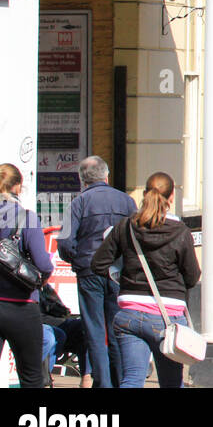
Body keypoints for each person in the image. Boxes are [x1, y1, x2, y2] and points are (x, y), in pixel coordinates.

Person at [90, 172, 200, 388]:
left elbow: (98, 264)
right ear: (170, 199)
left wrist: (123, 279)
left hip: (129, 314)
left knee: (131, 379)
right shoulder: (180, 231)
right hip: (168, 318)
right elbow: (192, 276)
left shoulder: (126, 227)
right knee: (170, 383)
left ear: (145, 194)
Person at [0, 164, 53, 388]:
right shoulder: (26, 218)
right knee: (32, 379)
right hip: (22, 308)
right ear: (16, 187)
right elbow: (44, 265)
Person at [56, 154, 137, 388]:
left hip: (89, 271)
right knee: (117, 330)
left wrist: (78, 258)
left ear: (82, 180)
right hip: (118, 272)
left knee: (94, 330)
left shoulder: (78, 203)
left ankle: (102, 383)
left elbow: (64, 243)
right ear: (106, 175)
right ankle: (122, 380)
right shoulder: (127, 201)